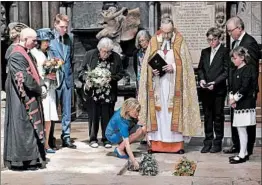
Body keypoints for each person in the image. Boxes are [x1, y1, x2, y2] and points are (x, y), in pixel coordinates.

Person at [138, 16, 201, 153]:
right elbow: (146, 66)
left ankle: (176, 145)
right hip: (158, 86)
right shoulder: (154, 41)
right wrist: (152, 71)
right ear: (160, 29)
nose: (167, 35)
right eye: (164, 32)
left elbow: (186, 65)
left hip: (174, 86)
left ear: (172, 29)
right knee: (160, 115)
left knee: (172, 114)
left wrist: (174, 67)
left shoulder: (180, 41)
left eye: (169, 32)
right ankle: (156, 144)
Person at [3, 28, 47, 170]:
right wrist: (40, 88)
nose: (36, 42)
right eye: (33, 40)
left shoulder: (26, 53)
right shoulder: (16, 54)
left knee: (28, 128)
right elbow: (24, 78)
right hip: (21, 98)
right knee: (24, 127)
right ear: (24, 39)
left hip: (28, 94)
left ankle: (34, 159)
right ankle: (23, 161)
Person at [224, 16, 261, 157]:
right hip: (236, 89)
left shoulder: (249, 42)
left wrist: (239, 93)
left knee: (246, 122)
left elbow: (250, 70)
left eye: (230, 30)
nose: (229, 34)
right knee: (237, 120)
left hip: (246, 91)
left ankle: (246, 150)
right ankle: (238, 146)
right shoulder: (236, 42)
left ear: (239, 28)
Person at [78, 37, 124, 148]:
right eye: (104, 51)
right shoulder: (90, 55)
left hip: (108, 93)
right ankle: (93, 138)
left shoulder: (116, 57)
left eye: (109, 52)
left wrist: (111, 78)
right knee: (93, 116)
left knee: (107, 116)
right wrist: (88, 79)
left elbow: (120, 73)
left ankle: (106, 139)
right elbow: (81, 71)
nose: (107, 54)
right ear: (99, 49)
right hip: (93, 93)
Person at [198, 27, 230, 153]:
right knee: (207, 116)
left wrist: (215, 83)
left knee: (218, 116)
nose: (211, 42)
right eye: (209, 39)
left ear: (219, 38)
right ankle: (207, 141)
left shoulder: (225, 51)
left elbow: (226, 71)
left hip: (218, 89)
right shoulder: (205, 52)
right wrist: (201, 80)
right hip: (206, 90)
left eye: (214, 39)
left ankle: (217, 142)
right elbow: (200, 69)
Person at [49, 14, 76, 149]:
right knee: (53, 109)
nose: (64, 30)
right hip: (55, 79)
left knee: (66, 109)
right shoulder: (49, 39)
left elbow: (71, 59)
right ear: (55, 25)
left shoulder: (69, 39)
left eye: (66, 27)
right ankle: (50, 137)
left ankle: (66, 136)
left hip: (67, 79)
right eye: (62, 27)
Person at [31, 28, 60, 153]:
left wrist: (54, 72)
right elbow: (34, 72)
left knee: (49, 117)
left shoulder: (50, 53)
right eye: (45, 41)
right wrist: (45, 76)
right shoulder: (34, 53)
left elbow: (54, 66)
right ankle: (40, 144)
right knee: (43, 116)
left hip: (51, 88)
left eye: (48, 41)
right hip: (42, 88)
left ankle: (47, 144)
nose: (47, 43)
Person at [228, 46, 256, 164]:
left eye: (234, 58)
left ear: (242, 57)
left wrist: (234, 99)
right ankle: (242, 152)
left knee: (242, 129)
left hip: (245, 104)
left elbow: (245, 87)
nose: (233, 60)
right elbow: (232, 86)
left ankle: (242, 154)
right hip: (237, 104)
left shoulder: (248, 69)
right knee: (240, 129)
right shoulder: (235, 70)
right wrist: (231, 99)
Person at [105, 98, 146, 170]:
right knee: (139, 131)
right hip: (112, 135)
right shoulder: (121, 121)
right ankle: (120, 149)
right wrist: (134, 161)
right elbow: (127, 143)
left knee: (143, 129)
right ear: (129, 110)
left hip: (121, 129)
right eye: (136, 111)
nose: (137, 114)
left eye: (138, 111)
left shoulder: (127, 112)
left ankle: (121, 146)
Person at [133, 30, 151, 94]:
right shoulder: (136, 53)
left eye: (143, 40)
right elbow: (135, 68)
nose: (142, 43)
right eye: (140, 41)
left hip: (152, 80)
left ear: (148, 39)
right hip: (140, 81)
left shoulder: (154, 51)